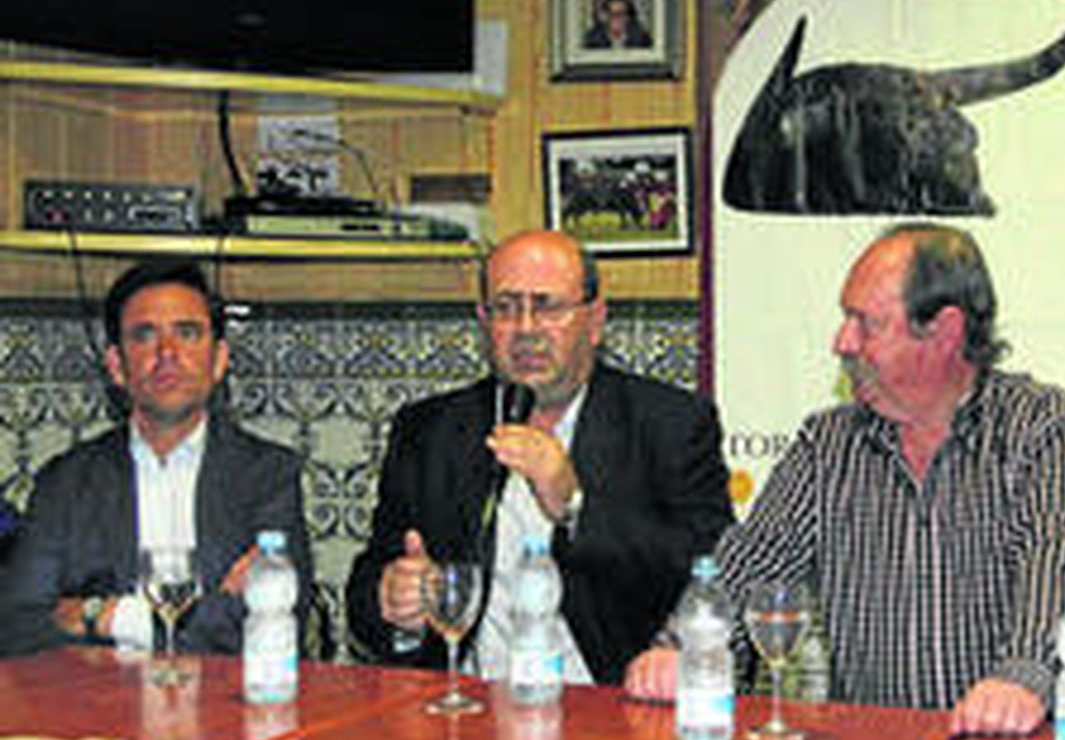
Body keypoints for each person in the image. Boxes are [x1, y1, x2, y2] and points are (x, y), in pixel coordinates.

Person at [626, 223, 1065, 736]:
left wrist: (1022, 679)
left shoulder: (1040, 426)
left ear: (944, 332)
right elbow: (753, 561)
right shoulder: (829, 444)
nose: (841, 341)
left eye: (865, 323)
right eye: (844, 319)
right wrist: (685, 648)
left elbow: (1056, 559)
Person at [346, 230, 732, 685]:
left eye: (547, 306)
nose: (526, 329)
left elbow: (710, 571)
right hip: (466, 707)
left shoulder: (670, 423)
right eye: (506, 308)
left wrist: (574, 507)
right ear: (483, 320)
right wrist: (394, 604)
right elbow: (368, 593)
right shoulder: (429, 429)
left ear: (595, 320)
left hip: (610, 708)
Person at [0, 257, 315, 658]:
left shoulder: (267, 475)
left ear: (219, 359)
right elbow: (15, 626)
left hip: (228, 710)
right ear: (116, 366)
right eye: (145, 335)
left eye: (187, 333)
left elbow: (274, 620)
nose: (167, 353)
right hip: (98, 709)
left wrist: (103, 615)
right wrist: (206, 610)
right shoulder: (65, 482)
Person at [583, 0, 653, 50]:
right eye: (611, 13)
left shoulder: (641, 40)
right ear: (606, 15)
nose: (615, 18)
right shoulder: (593, 40)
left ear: (628, 16)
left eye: (620, 13)